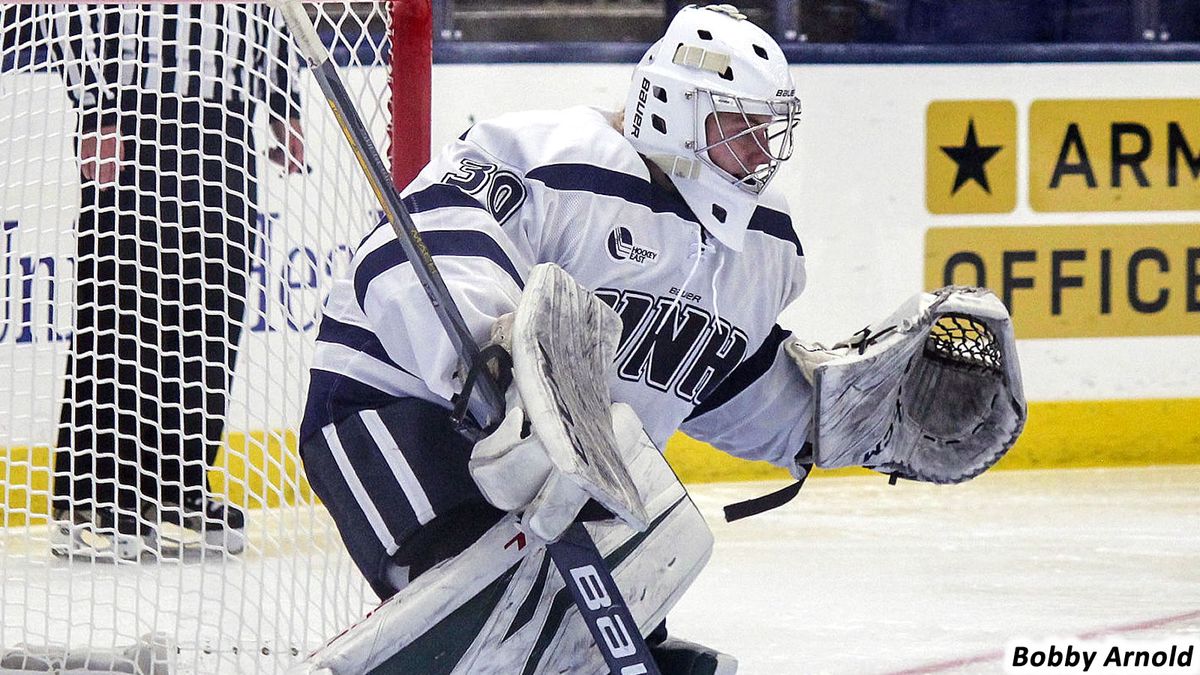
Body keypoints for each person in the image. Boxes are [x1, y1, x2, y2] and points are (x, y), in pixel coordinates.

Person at [300, 4, 807, 672]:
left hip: (571, 471)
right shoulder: (550, 156)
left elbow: (724, 376)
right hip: (398, 405)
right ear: (674, 111)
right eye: (736, 129)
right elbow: (415, 250)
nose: (756, 155)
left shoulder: (759, 248)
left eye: (765, 133)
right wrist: (496, 358)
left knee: (629, 578)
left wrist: (833, 414)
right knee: (503, 618)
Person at [47, 4, 306, 560]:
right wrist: (94, 108)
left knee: (214, 305)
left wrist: (284, 101)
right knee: (124, 297)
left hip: (227, 118)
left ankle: (176, 483)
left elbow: (276, 8)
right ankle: (94, 493)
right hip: (135, 112)